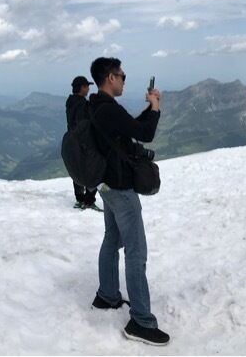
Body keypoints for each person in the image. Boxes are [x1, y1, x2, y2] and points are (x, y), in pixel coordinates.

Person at [85, 56, 168, 346]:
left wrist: (150, 108)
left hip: (106, 184)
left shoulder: (97, 105)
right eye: (122, 76)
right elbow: (145, 133)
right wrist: (155, 108)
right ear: (110, 77)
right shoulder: (108, 108)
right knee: (136, 251)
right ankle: (141, 321)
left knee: (112, 237)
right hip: (120, 188)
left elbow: (130, 128)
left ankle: (107, 295)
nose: (123, 80)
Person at [68, 76, 97, 211]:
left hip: (72, 140)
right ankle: (89, 200)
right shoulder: (82, 104)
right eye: (86, 86)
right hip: (83, 142)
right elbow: (83, 125)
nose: (88, 88)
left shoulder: (70, 102)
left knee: (77, 169)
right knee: (94, 170)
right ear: (81, 88)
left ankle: (79, 199)